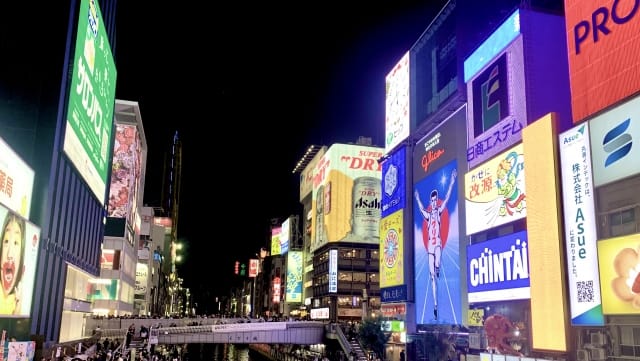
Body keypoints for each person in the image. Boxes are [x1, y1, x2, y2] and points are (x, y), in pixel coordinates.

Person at [414, 168, 456, 320]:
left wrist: (451, 182)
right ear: (430, 202)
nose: (433, 202)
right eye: (431, 201)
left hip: (437, 244)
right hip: (430, 249)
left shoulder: (438, 212)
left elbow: (447, 199)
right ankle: (436, 306)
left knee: (438, 262)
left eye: (434, 200)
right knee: (432, 278)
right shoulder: (428, 214)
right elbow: (420, 209)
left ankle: (438, 269)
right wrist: (418, 198)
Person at [0, 212, 26, 315]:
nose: (9, 254)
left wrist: (18, 305)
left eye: (16, 243)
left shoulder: (16, 301)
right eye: (6, 241)